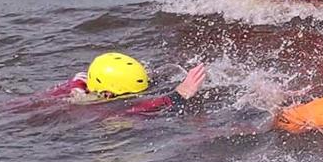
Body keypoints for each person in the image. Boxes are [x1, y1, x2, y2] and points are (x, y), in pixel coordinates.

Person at [46, 52, 208, 115]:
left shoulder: (86, 82)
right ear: (107, 94)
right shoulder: (90, 110)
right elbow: (130, 110)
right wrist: (180, 94)